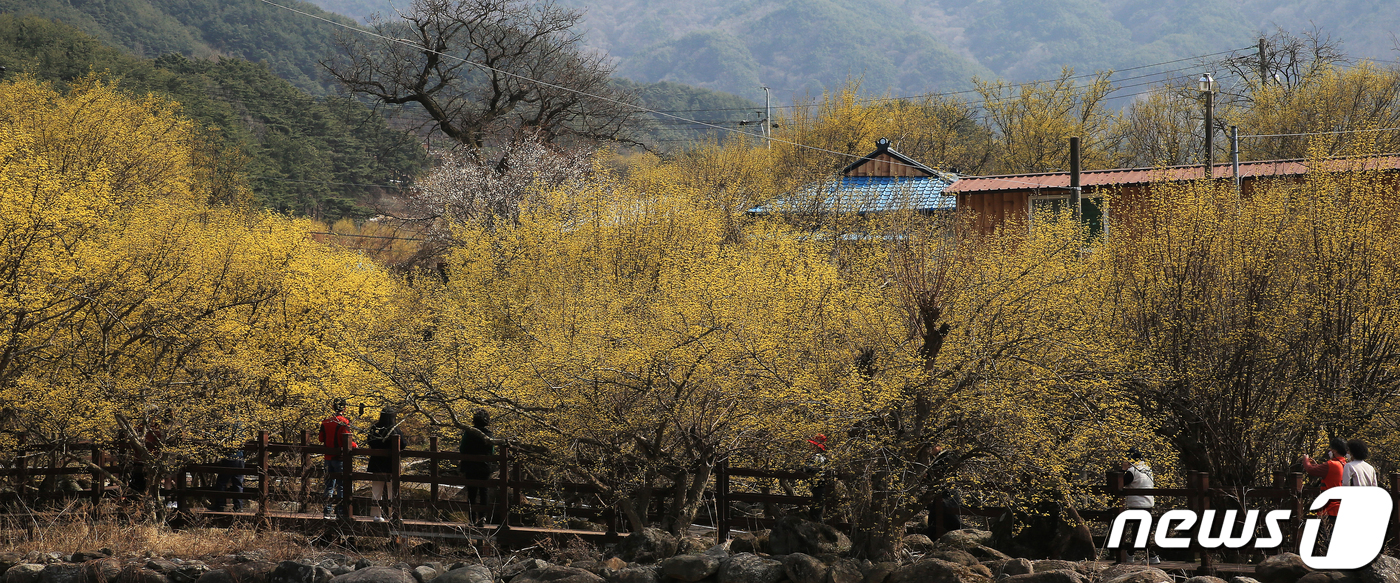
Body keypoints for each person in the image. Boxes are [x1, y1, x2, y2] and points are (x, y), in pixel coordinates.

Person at [1301, 437, 1348, 555]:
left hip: (1330, 508)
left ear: (1334, 450)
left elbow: (1310, 470)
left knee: (1327, 539)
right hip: (1342, 507)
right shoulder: (1346, 464)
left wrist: (1305, 460)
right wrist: (1318, 466)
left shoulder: (1331, 464)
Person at [318, 398, 357, 520]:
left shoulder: (325, 422)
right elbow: (347, 439)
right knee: (341, 485)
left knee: (329, 485)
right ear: (344, 408)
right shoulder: (344, 422)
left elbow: (320, 439)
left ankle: (327, 512)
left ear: (333, 407)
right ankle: (340, 512)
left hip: (327, 458)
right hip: (340, 458)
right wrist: (355, 446)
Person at [366, 407, 405, 523]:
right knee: (393, 490)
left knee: (376, 489)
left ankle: (376, 515)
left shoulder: (375, 428)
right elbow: (402, 444)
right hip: (391, 464)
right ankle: (394, 514)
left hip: (377, 462)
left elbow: (370, 442)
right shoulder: (395, 429)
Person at [1120, 447, 1159, 564]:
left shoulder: (1132, 471)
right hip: (1148, 504)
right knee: (1139, 530)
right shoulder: (1147, 469)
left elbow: (1120, 482)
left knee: (1138, 531)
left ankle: (1150, 556)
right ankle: (1136, 555)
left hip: (1137, 505)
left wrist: (1123, 470)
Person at [459, 409, 496, 510]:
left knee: (472, 492)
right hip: (484, 466)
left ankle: (472, 518)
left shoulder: (469, 433)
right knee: (484, 491)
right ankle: (482, 517)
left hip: (470, 466)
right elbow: (492, 451)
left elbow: (462, 449)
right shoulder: (489, 435)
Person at [209, 421, 246, 512]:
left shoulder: (226, 424)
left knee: (222, 481)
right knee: (238, 482)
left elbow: (216, 437)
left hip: (229, 456)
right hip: (240, 457)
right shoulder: (240, 425)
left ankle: (220, 504)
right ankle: (238, 506)